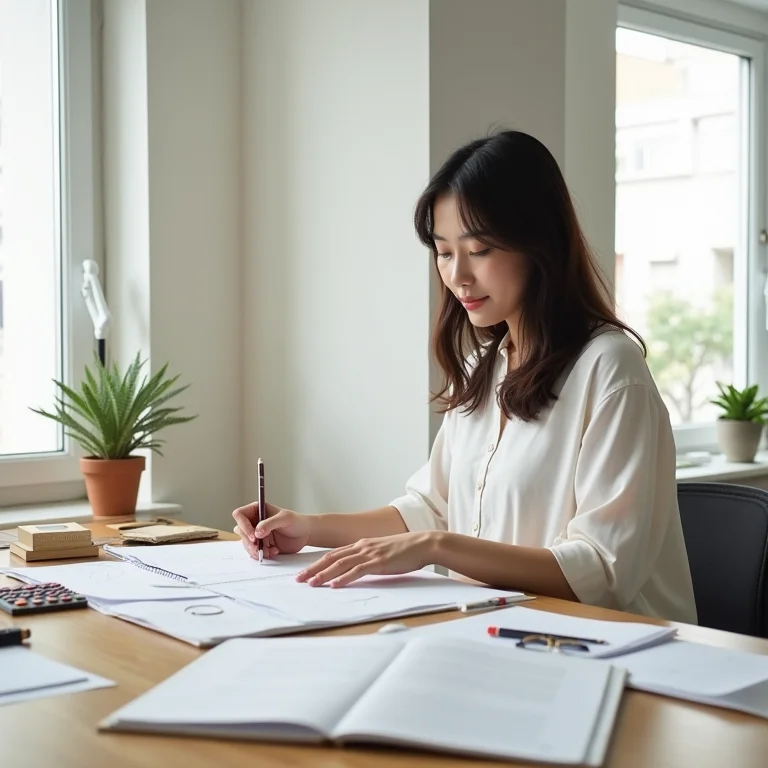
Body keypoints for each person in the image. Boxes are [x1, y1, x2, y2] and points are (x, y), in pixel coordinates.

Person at [233, 129, 697, 624]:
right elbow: (429, 508)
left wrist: (439, 547)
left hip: (621, 655)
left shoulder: (610, 370)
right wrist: (306, 526)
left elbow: (603, 571)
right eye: (444, 251)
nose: (457, 276)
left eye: (478, 250)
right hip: (502, 635)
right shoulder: (487, 365)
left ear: (539, 244)